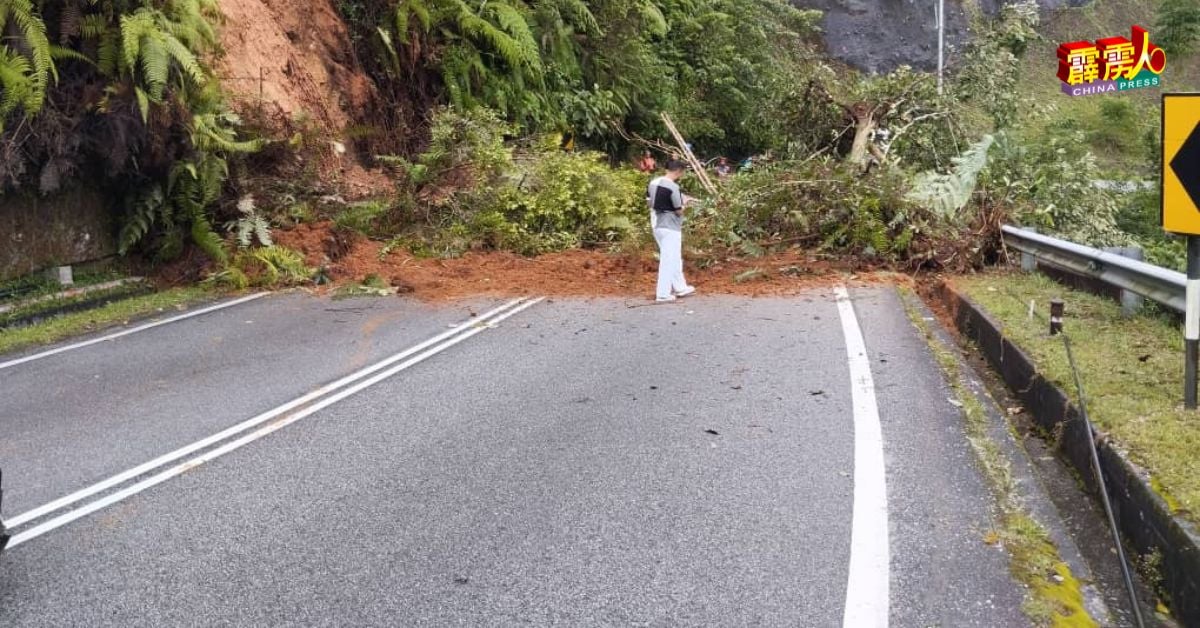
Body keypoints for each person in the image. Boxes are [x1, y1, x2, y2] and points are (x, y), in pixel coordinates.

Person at [647, 160, 696, 302]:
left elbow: (649, 202)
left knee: (674, 257)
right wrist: (685, 203)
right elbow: (678, 211)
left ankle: (681, 287)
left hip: (656, 224)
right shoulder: (673, 187)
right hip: (670, 226)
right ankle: (662, 294)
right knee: (668, 259)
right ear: (679, 171)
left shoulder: (653, 183)